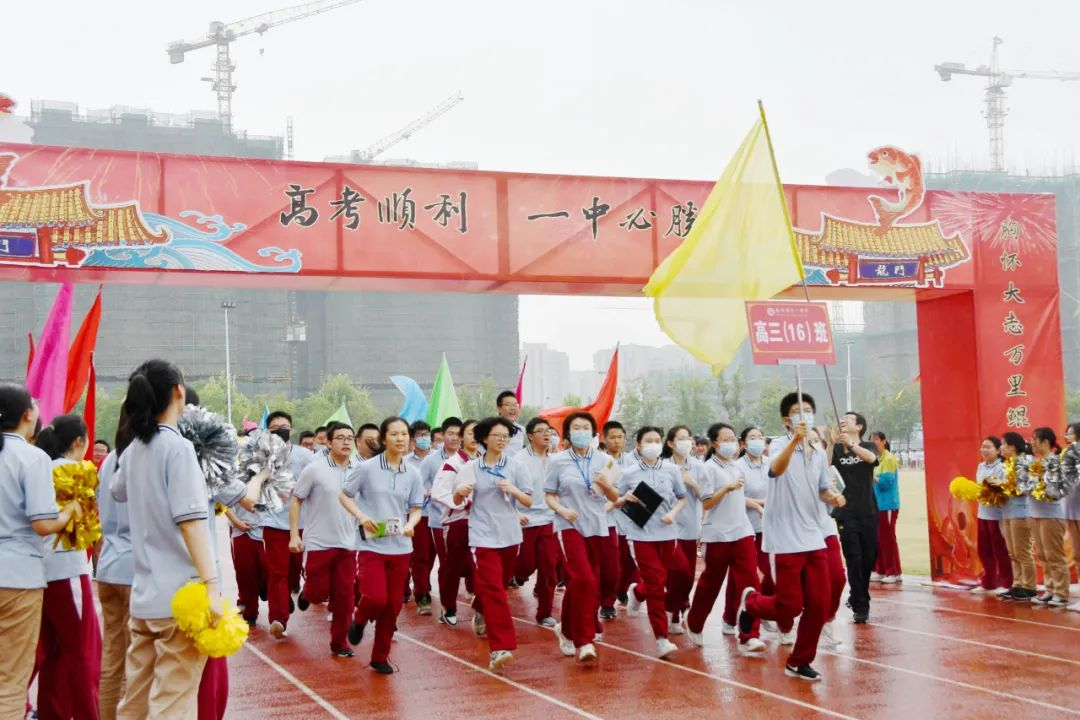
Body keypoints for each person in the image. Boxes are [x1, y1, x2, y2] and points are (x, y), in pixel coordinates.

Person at [109, 361, 218, 717]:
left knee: (136, 698)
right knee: (173, 700)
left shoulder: (133, 450)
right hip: (180, 598)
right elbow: (191, 523)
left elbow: (117, 490)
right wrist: (212, 585)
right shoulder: (178, 448)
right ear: (178, 392)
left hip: (145, 596)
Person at [737, 392, 846, 682]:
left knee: (819, 604)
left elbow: (823, 488)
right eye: (798, 411)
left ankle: (799, 661)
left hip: (813, 535)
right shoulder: (777, 446)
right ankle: (751, 604)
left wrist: (833, 497)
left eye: (808, 410)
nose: (804, 415)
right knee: (790, 605)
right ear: (787, 420)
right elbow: (775, 470)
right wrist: (795, 440)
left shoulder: (818, 452)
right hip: (785, 537)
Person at [0, 386, 78, 720]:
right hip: (19, 577)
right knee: (10, 679)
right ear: (27, 415)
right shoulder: (31, 458)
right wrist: (68, 513)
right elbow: (43, 524)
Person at [445, 417, 533, 671]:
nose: (502, 440)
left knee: (498, 586)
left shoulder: (516, 467)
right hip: (482, 536)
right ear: (484, 438)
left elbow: (528, 501)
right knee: (495, 590)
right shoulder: (471, 467)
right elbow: (456, 500)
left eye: (506, 436)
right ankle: (500, 648)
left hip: (510, 535)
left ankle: (479, 604)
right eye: (497, 435)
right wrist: (460, 491)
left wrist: (513, 490)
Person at [340, 417, 424, 674]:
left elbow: (416, 508)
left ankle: (380, 656)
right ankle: (359, 619)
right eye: (394, 434)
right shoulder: (367, 468)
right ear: (384, 439)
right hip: (372, 544)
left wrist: (411, 524)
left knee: (393, 605)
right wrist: (361, 516)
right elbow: (344, 494)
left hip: (401, 546)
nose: (400, 438)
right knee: (376, 597)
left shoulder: (413, 473)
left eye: (404, 434)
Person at [35, 415, 103, 719]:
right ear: (79, 441)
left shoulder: (39, 469)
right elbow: (92, 526)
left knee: (53, 653)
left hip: (40, 572)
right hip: (68, 570)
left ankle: (53, 712)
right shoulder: (78, 471)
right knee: (83, 651)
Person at [544, 412, 621, 664]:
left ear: (594, 432)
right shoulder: (557, 461)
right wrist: (562, 510)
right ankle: (585, 640)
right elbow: (549, 495)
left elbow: (616, 498)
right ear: (568, 433)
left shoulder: (606, 461)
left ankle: (566, 629)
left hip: (597, 527)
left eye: (585, 427)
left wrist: (606, 485)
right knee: (583, 580)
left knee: (582, 584)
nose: (581, 432)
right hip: (569, 526)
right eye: (576, 428)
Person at [684, 422, 764, 655]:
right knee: (712, 582)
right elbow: (707, 502)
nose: (731, 443)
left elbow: (739, 498)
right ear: (715, 443)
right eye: (725, 439)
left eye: (733, 439)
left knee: (751, 583)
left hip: (742, 531)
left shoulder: (736, 467)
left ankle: (750, 635)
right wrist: (727, 488)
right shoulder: (708, 468)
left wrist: (756, 505)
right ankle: (695, 622)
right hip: (717, 534)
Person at [290, 421, 361, 657]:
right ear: (328, 443)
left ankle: (340, 643)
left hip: (348, 543)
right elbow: (296, 500)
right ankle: (308, 594)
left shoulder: (360, 469)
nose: (346, 442)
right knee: (319, 592)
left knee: (345, 596)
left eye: (349, 438)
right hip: (319, 542)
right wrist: (294, 534)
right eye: (340, 438)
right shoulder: (315, 469)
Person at [616, 427, 686, 659]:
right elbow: (616, 499)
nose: (654, 444)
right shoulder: (629, 473)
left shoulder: (672, 469)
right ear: (638, 445)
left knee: (661, 579)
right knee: (656, 585)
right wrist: (624, 498)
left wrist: (673, 514)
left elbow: (682, 498)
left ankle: (638, 591)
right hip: (641, 535)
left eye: (657, 440)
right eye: (649, 441)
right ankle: (662, 638)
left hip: (667, 534)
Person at [261, 410, 316, 640]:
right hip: (273, 522)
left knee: (295, 571)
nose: (280, 431)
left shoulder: (305, 456)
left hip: (301, 523)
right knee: (277, 572)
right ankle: (278, 618)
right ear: (268, 431)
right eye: (275, 428)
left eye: (284, 427)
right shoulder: (261, 454)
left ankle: (289, 593)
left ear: (291, 429)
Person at [96, 421, 133, 720]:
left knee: (112, 658)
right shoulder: (144, 454)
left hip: (109, 564)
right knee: (138, 662)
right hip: (135, 569)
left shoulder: (110, 459)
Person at [829, 412, 879, 623]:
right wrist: (831, 444)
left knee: (869, 557)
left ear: (859, 427)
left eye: (848, 419)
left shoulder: (868, 446)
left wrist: (851, 444)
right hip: (845, 512)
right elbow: (825, 468)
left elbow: (872, 459)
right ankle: (861, 605)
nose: (843, 421)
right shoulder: (837, 449)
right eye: (841, 420)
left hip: (868, 511)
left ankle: (856, 595)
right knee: (854, 558)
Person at [724, 426, 774, 635]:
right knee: (744, 576)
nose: (758, 441)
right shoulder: (737, 467)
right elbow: (737, 496)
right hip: (745, 527)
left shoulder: (771, 463)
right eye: (752, 438)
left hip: (769, 527)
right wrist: (760, 504)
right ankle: (730, 618)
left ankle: (764, 608)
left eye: (760, 437)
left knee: (771, 572)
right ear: (743, 444)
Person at [431, 419, 481, 626]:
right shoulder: (452, 463)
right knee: (452, 567)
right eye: (470, 433)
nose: (475, 437)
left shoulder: (486, 462)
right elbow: (438, 492)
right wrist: (461, 500)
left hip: (482, 522)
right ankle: (448, 608)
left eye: (479, 433)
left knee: (481, 566)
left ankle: (482, 606)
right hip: (457, 522)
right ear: (461, 437)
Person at [510, 417, 559, 626]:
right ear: (530, 436)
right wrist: (514, 512)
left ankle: (544, 613)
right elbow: (507, 490)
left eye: (549, 431)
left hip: (550, 519)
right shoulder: (518, 460)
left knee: (549, 568)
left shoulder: (556, 460)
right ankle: (516, 576)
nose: (547, 434)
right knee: (526, 564)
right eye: (541, 431)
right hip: (525, 520)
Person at [661, 424, 703, 635]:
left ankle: (675, 610)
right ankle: (672, 612)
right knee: (679, 573)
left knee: (687, 577)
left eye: (688, 438)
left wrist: (692, 483)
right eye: (681, 438)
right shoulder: (662, 466)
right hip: (668, 527)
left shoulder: (699, 466)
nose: (686, 442)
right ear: (671, 443)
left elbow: (708, 496)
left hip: (691, 528)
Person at [1028, 427, 1069, 606]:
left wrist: (1041, 486)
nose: (1032, 442)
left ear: (1045, 442)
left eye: (1035, 439)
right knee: (1043, 555)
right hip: (1035, 513)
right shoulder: (1036, 462)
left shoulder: (1056, 462)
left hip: (1052, 514)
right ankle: (1050, 589)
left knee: (1054, 555)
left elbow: (1058, 490)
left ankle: (1061, 592)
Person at [602, 420, 637, 614]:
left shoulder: (633, 462)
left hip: (630, 518)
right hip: (607, 518)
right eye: (612, 437)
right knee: (611, 564)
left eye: (620, 437)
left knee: (630, 563)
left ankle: (622, 589)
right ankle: (607, 603)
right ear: (604, 439)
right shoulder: (600, 461)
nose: (616, 441)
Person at [972, 436, 1012, 595]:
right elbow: (979, 488)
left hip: (998, 515)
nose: (984, 450)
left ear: (997, 450)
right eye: (982, 447)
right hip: (983, 513)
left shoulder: (1003, 467)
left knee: (1000, 551)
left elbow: (1001, 491)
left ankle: (1007, 583)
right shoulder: (981, 466)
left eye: (988, 447)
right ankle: (989, 583)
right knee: (984, 550)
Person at [1000, 432, 1036, 601]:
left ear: (1012, 447)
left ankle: (1029, 587)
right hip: (1008, 511)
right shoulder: (1008, 463)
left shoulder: (1025, 462)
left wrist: (1002, 485)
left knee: (1022, 552)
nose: (1001, 448)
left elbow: (1024, 489)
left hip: (1021, 512)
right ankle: (1018, 584)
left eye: (1003, 444)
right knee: (1013, 553)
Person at [405, 420, 435, 613]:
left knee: (432, 555)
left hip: (439, 515)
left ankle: (420, 580)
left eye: (426, 434)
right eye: (420, 435)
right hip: (417, 515)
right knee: (420, 555)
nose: (424, 438)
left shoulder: (438, 458)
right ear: (413, 439)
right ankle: (422, 595)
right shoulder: (406, 462)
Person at [870, 431, 902, 583]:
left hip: (887, 505)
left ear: (884, 441)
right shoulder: (874, 459)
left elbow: (886, 483)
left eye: (876, 439)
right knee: (878, 539)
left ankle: (894, 572)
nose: (873, 442)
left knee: (887, 539)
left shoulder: (889, 458)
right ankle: (881, 570)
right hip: (876, 505)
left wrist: (871, 477)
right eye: (871, 439)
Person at [496, 391, 526, 458]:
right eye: (508, 405)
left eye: (515, 405)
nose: (513, 408)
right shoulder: (491, 428)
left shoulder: (521, 430)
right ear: (499, 408)